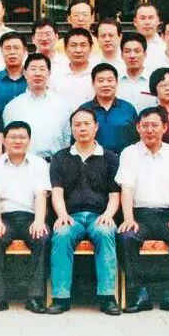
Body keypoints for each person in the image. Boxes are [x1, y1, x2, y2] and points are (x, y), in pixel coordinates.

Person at [115, 107, 169, 313]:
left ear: (165, 127)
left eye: (154, 125)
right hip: (139, 215)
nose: (149, 130)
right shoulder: (129, 153)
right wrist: (128, 218)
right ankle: (138, 294)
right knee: (126, 237)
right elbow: (126, 188)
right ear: (138, 128)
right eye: (145, 125)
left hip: (168, 215)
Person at [48, 108, 121, 315]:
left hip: (100, 216)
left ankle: (107, 297)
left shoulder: (110, 158)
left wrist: (108, 215)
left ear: (96, 127)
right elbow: (57, 193)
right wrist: (62, 215)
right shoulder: (60, 158)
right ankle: (60, 297)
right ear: (71, 129)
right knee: (61, 234)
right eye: (77, 125)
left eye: (86, 124)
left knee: (105, 233)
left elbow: (114, 194)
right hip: (72, 217)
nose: (82, 128)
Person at [0, 121, 51, 314]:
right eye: (13, 137)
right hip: (5, 218)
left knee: (43, 237)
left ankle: (35, 297)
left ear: (29, 140)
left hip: (31, 217)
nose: (17, 141)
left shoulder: (39, 164)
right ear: (4, 140)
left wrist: (39, 221)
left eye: (22, 137)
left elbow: (41, 195)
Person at [2, 53, 71, 160]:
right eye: (33, 69)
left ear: (49, 73)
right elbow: (8, 142)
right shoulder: (12, 107)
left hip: (55, 164)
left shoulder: (62, 105)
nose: (37, 73)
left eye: (42, 69)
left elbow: (67, 139)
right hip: (23, 164)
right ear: (25, 73)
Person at [77, 63, 138, 154]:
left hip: (123, 160)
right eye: (101, 81)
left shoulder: (128, 109)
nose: (105, 84)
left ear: (117, 82)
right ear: (93, 83)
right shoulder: (84, 110)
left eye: (110, 80)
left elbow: (137, 140)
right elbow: (76, 140)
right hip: (92, 160)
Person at [0, 31, 28, 114]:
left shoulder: (33, 79)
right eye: (8, 48)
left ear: (24, 51)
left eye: (16, 48)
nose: (12, 52)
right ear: (1, 52)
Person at [51, 28, 95, 107]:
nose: (78, 50)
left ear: (91, 48)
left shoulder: (99, 73)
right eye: (73, 45)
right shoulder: (55, 73)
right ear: (65, 48)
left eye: (83, 45)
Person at [117, 31, 155, 113]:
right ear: (121, 55)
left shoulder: (155, 80)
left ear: (145, 54)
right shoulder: (115, 81)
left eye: (137, 51)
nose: (132, 56)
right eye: (127, 51)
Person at [133, 2, 165, 66]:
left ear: (158, 21)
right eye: (142, 18)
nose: (147, 22)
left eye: (151, 18)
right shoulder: (125, 47)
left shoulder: (166, 47)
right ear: (135, 22)